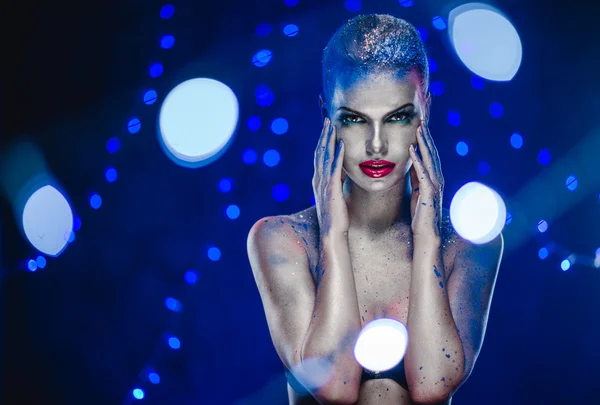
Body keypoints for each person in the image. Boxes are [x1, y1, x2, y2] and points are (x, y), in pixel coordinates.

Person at [247, 13, 503, 405]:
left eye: (398, 117)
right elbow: (335, 386)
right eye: (354, 119)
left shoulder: (469, 246)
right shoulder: (282, 240)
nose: (377, 144)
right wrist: (333, 233)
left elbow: (432, 382)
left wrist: (428, 237)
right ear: (326, 117)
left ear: (425, 111)